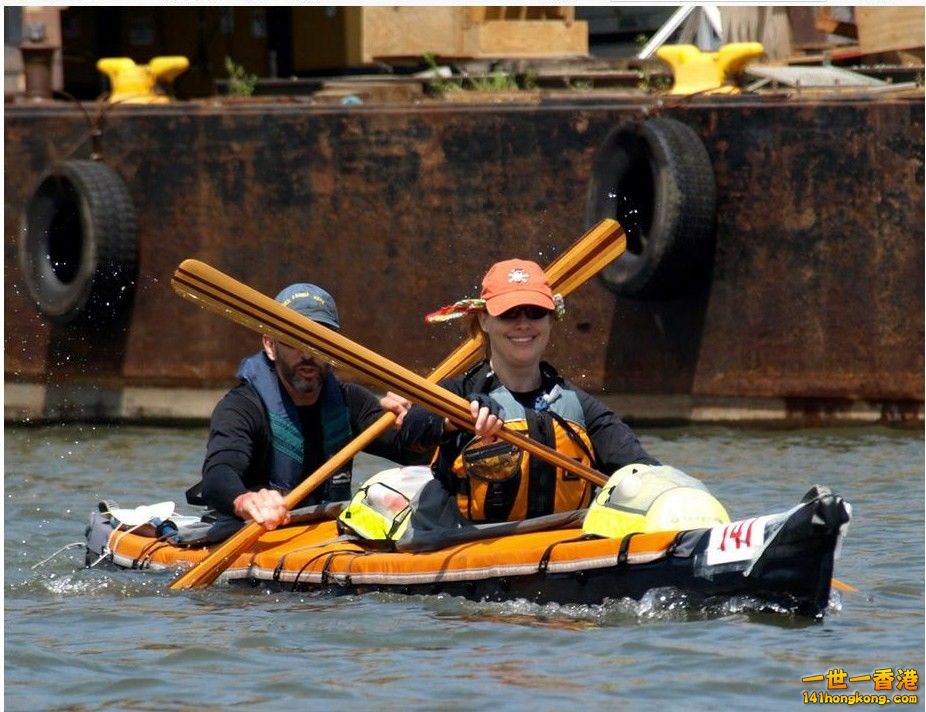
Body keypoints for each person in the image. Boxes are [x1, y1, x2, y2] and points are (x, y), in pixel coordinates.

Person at [402, 258, 660, 523]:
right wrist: (454, 418)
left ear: (550, 319)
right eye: (509, 313)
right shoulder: (457, 393)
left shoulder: (578, 406)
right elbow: (411, 430)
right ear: (484, 320)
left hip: (564, 549)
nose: (523, 324)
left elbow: (643, 468)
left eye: (534, 312)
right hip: (472, 548)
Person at [191, 282, 434, 531]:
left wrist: (422, 422)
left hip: (320, 534)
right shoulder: (241, 408)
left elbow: (413, 452)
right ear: (270, 345)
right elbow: (218, 474)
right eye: (294, 338)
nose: (307, 354)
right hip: (258, 531)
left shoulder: (351, 402)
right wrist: (246, 501)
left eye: (319, 340)